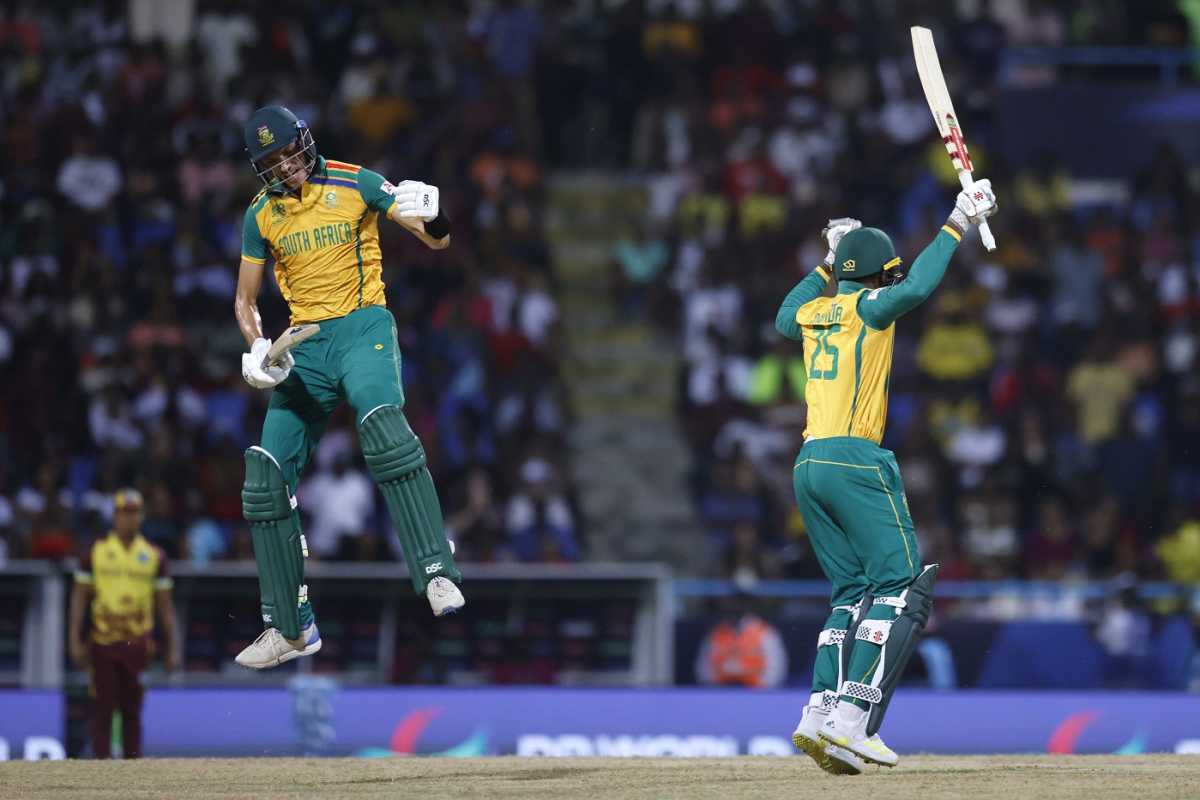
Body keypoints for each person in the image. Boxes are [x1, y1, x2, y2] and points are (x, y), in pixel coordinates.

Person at [232, 105, 464, 670]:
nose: (285, 167)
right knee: (264, 473)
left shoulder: (354, 180)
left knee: (380, 422)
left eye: (290, 152)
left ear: (306, 143)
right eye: (272, 161)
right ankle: (290, 629)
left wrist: (434, 217)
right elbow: (245, 300)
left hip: (363, 325)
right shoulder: (260, 215)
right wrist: (259, 347)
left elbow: (437, 240)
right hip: (304, 341)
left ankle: (436, 571)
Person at [776, 183, 998, 773]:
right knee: (899, 585)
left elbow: (781, 316)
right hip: (854, 459)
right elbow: (920, 285)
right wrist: (958, 221)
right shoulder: (871, 309)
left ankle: (817, 715)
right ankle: (853, 720)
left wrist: (827, 259)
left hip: (807, 463)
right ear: (877, 276)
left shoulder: (814, 310)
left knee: (849, 592)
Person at [68, 488, 180, 759]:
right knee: (102, 708)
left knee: (132, 710)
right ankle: (102, 767)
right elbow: (79, 600)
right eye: (123, 513)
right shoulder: (96, 552)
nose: (128, 519)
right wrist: (74, 640)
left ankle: (132, 769)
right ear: (114, 516)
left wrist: (173, 648)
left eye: (133, 513)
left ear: (141, 516)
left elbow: (165, 608)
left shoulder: (154, 555)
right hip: (103, 642)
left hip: (138, 643)